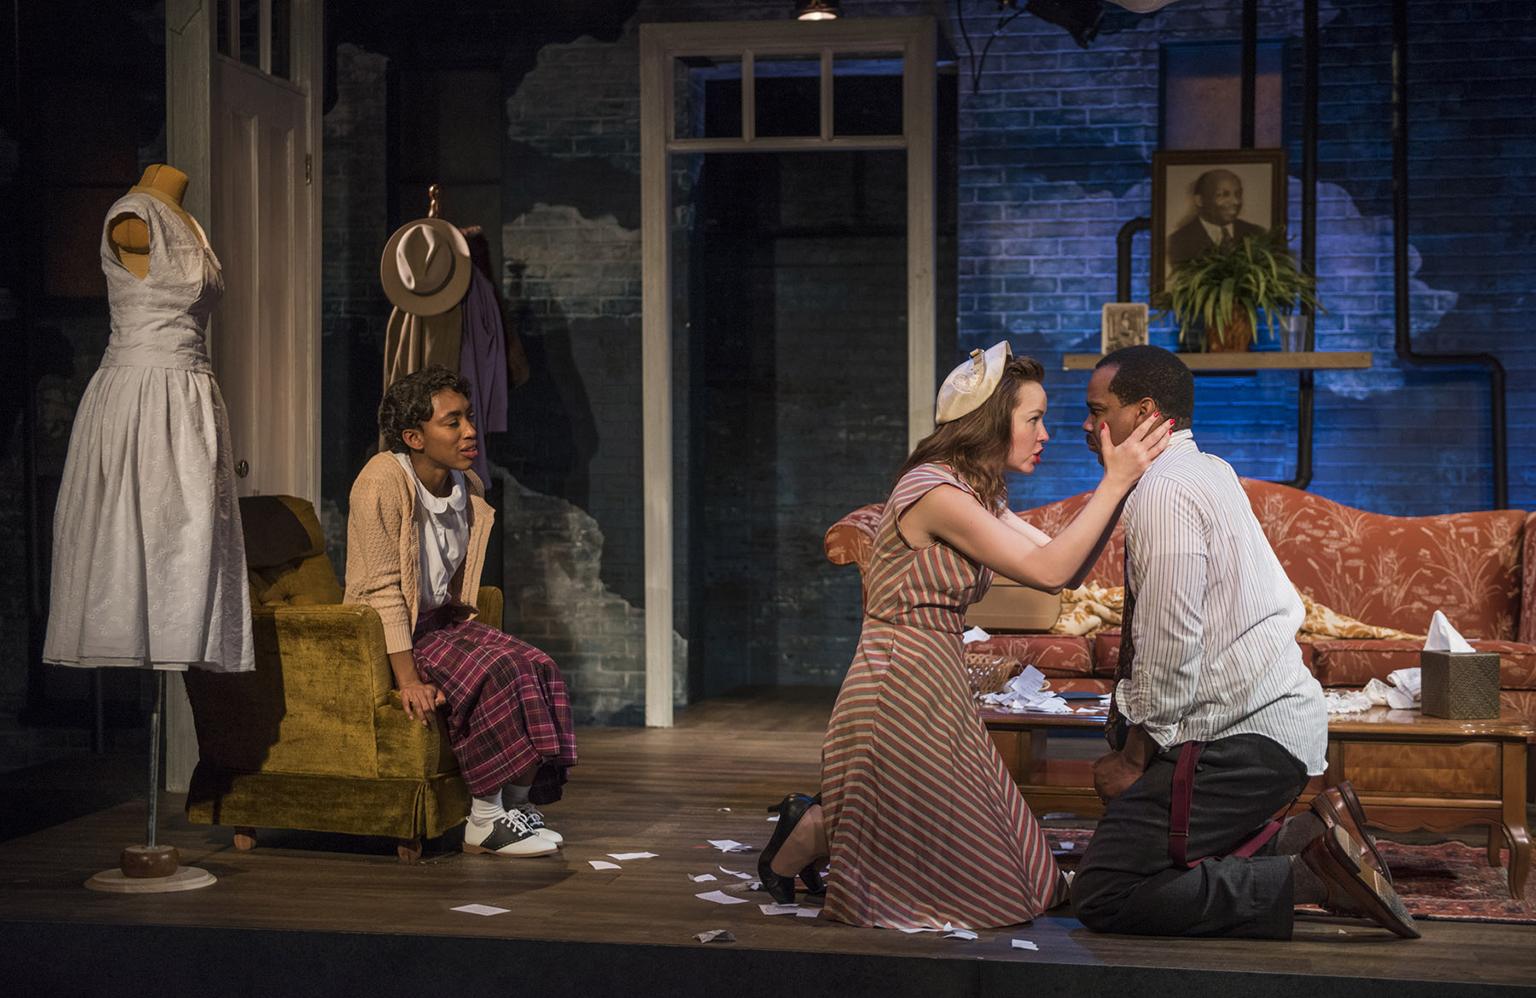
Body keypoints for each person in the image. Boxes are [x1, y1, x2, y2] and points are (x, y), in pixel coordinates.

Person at [759, 342, 1173, 930]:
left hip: (937, 673)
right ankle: (800, 839)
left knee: (1030, 876)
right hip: (897, 680)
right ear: (991, 421)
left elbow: (1061, 569)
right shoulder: (936, 493)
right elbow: (1052, 571)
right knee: (978, 883)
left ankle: (822, 819)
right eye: (1033, 419)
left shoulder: (976, 492)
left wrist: (1122, 486)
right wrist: (1114, 482)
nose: (1046, 433)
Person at [1069, 345, 1419, 940]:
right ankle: (1312, 838)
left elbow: (1172, 637)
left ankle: (1311, 878)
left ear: (1144, 412)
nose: (1085, 425)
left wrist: (1134, 760)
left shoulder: (1165, 491)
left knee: (1103, 890)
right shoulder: (1207, 469)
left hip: (1240, 742)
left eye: (1096, 410)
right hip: (1264, 730)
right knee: (1139, 856)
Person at [346, 365, 576, 858]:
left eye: (468, 417)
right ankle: (484, 822)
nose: (470, 431)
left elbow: (452, 583)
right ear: (414, 436)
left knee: (537, 666)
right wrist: (407, 679)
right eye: (452, 422)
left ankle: (513, 808)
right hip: (393, 633)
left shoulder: (466, 484)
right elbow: (385, 589)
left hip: (443, 622)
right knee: (493, 673)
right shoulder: (382, 481)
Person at [1165, 168, 1268, 267]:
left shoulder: (1258, 234)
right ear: (1199, 200)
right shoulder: (1178, 242)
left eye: (1238, 194)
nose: (1236, 201)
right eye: (1223, 195)